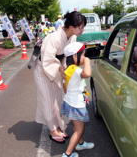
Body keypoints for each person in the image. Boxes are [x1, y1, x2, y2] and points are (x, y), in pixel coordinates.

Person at [33, 11, 86, 144]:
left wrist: (65, 69)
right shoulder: (55, 37)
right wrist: (60, 68)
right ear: (72, 26)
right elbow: (48, 58)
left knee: (56, 98)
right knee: (47, 99)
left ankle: (57, 125)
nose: (82, 30)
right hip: (43, 68)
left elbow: (67, 56)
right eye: (80, 27)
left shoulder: (72, 37)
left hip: (55, 68)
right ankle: (52, 130)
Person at [61, 42, 94, 157]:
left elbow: (65, 88)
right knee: (79, 130)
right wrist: (87, 62)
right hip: (76, 104)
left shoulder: (68, 70)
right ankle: (68, 154)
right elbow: (87, 73)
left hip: (71, 102)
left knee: (77, 125)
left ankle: (80, 143)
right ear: (75, 56)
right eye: (83, 55)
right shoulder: (75, 70)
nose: (84, 57)